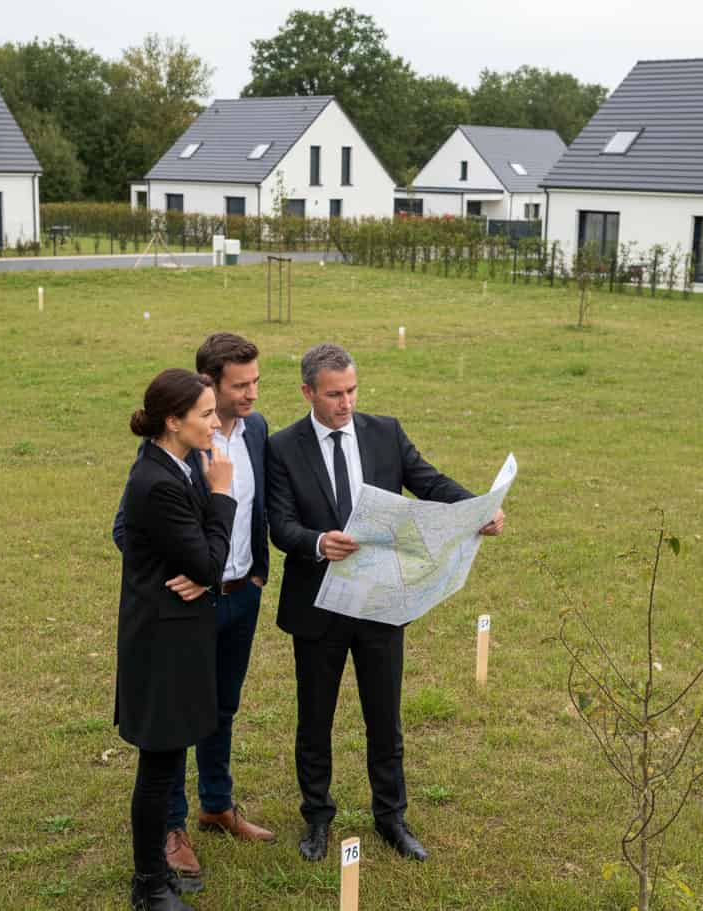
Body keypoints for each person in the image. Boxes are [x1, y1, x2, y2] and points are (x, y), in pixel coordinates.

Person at [266, 342, 505, 863]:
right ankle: (317, 818)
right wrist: (316, 542)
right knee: (315, 719)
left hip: (381, 603)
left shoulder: (385, 432)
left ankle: (391, 818)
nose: (345, 402)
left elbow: (428, 481)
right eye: (334, 394)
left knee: (385, 716)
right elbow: (279, 523)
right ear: (308, 392)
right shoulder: (283, 447)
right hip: (318, 606)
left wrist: (476, 509)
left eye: (351, 390)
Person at [113, 334, 273, 882]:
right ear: (211, 385)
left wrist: (252, 574)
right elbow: (129, 530)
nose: (251, 393)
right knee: (176, 721)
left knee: (219, 709)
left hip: (239, 596)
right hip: (189, 608)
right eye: (239, 385)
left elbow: (260, 510)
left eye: (256, 382)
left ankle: (217, 804)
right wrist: (171, 575)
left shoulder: (259, 432)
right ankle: (172, 828)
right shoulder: (176, 456)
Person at [115, 368, 235, 911]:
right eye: (207, 414)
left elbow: (194, 558)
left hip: (175, 635)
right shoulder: (160, 481)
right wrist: (222, 494)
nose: (216, 422)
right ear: (173, 421)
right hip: (161, 646)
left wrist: (200, 567)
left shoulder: (173, 464)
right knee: (159, 767)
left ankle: (154, 875)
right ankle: (149, 886)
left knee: (166, 761)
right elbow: (209, 560)